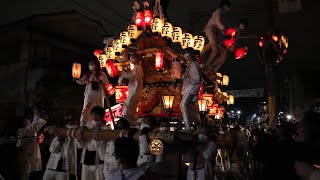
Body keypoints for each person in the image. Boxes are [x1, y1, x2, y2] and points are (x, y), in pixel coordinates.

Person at [77, 106, 108, 180]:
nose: (95, 118)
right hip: (86, 161)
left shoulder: (106, 129)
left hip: (100, 161)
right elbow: (81, 146)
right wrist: (79, 139)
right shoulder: (86, 127)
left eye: (98, 115)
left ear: (102, 116)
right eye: (93, 115)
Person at [75, 60, 110, 125]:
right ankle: (84, 122)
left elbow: (106, 83)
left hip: (99, 94)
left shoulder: (102, 74)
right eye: (90, 64)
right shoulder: (88, 75)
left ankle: (98, 123)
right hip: (89, 94)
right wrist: (76, 78)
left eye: (93, 64)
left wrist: (100, 78)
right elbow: (82, 81)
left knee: (99, 108)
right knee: (87, 107)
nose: (91, 65)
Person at [16, 106, 46, 180]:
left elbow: (36, 120)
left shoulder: (31, 128)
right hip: (24, 151)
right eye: (25, 121)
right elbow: (19, 142)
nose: (27, 122)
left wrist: (35, 111)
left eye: (28, 121)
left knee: (28, 170)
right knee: (25, 169)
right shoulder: (23, 130)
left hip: (31, 150)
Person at [200, 0, 231, 66]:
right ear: (224, 6)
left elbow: (221, 26)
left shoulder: (222, 15)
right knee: (214, 46)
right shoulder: (218, 11)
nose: (228, 8)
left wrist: (225, 32)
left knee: (214, 48)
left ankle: (205, 62)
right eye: (227, 6)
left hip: (214, 31)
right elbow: (217, 21)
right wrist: (223, 30)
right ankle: (201, 57)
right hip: (210, 29)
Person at [118, 53, 144, 122]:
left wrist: (124, 73)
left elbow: (133, 77)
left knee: (127, 105)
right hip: (135, 91)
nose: (130, 60)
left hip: (135, 91)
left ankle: (127, 121)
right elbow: (133, 76)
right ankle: (130, 120)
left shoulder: (138, 68)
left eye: (131, 58)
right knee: (131, 107)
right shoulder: (137, 68)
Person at [180, 48, 201, 131]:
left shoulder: (195, 64)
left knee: (183, 105)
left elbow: (196, 79)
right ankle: (197, 126)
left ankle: (188, 127)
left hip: (192, 89)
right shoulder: (189, 65)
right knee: (190, 107)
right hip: (188, 88)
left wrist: (186, 77)